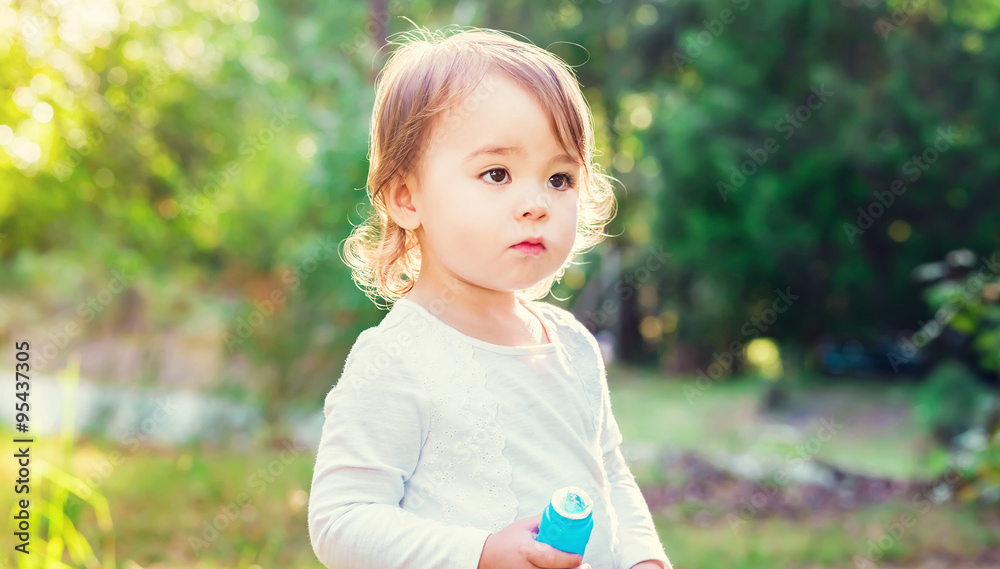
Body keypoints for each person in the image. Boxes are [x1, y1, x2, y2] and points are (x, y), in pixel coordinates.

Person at [307, 25, 671, 569]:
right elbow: (342, 521)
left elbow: (610, 475)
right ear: (407, 198)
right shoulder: (399, 358)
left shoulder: (570, 344)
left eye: (559, 178)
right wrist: (479, 553)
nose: (536, 203)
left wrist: (643, 558)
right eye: (497, 173)